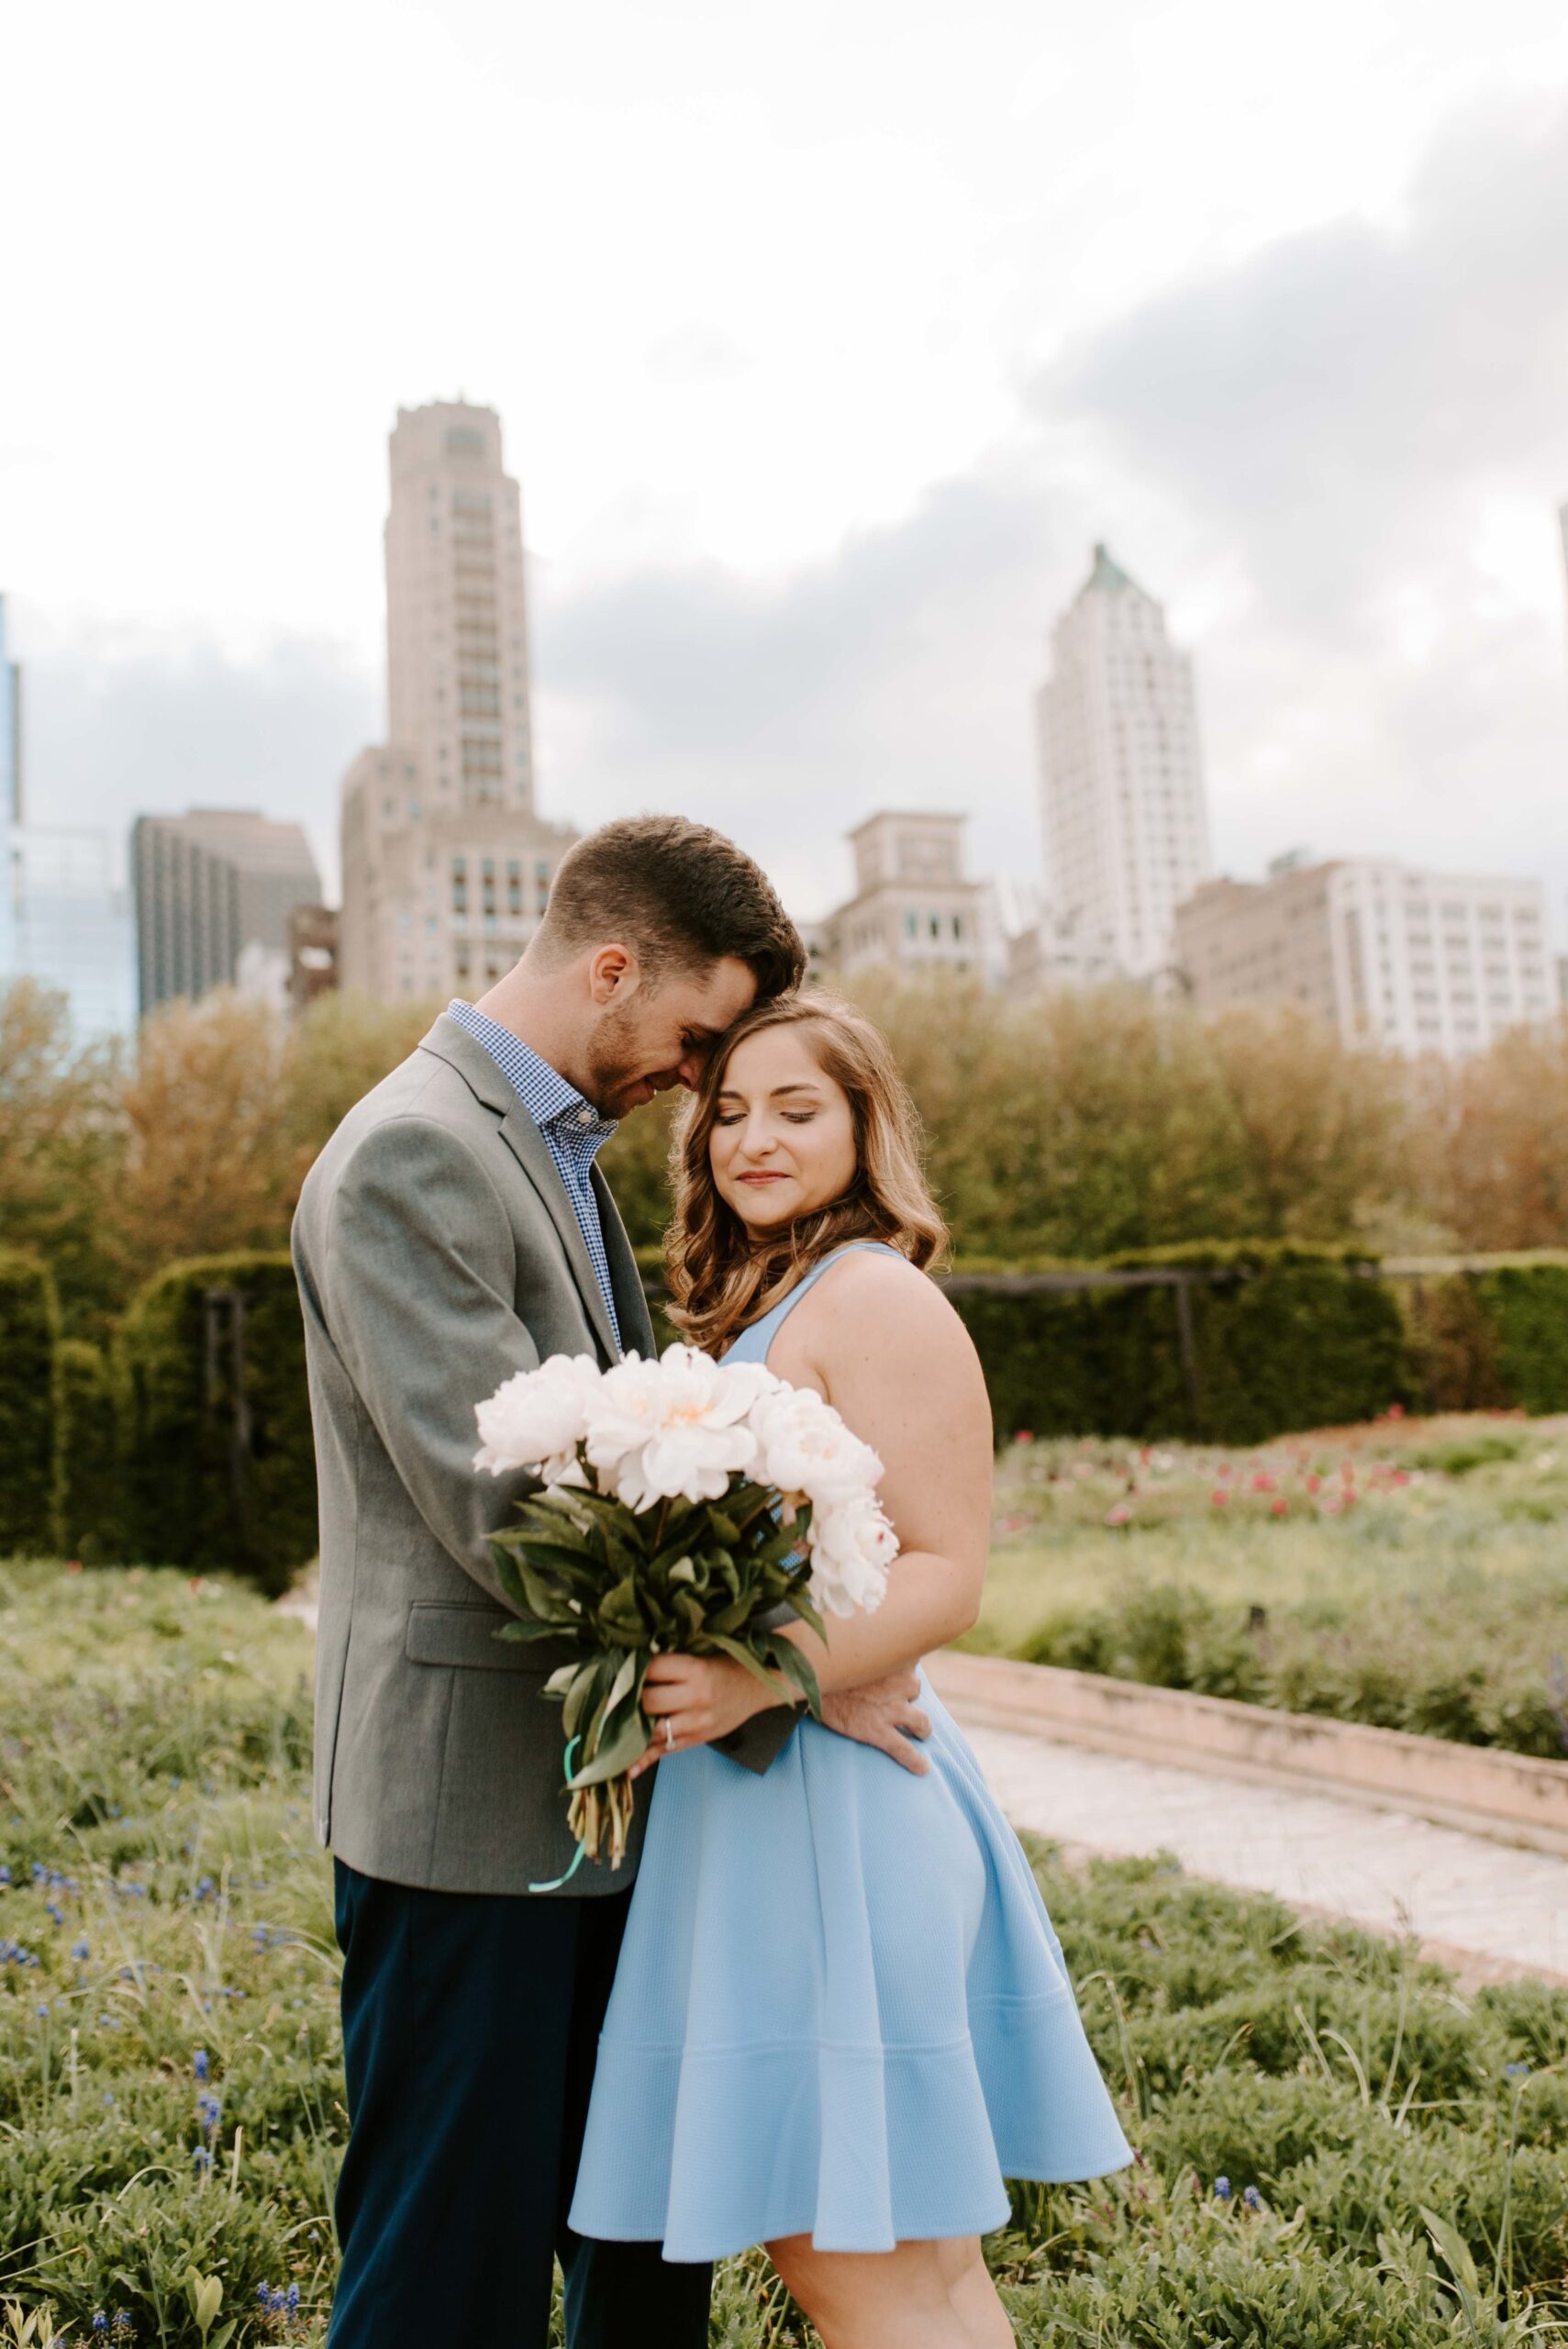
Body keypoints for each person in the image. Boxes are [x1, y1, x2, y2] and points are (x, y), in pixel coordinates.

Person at [291, 818, 929, 2349]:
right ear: (610, 965)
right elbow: (512, 1509)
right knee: (447, 2275)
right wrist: (800, 1667)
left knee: (640, 2260)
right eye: (699, 1037)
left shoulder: (549, 1153)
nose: (699, 1084)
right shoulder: (416, 1151)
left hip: (604, 1800)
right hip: (475, 1819)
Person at [568, 990, 1133, 2349]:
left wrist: (764, 1681)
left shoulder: (872, 1294)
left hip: (828, 1828)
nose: (752, 1139)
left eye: (796, 1110)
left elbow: (947, 1572)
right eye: (729, 1113)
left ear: (864, 1125)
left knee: (848, 2266)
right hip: (780, 1824)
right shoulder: (778, 1295)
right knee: (910, 2271)